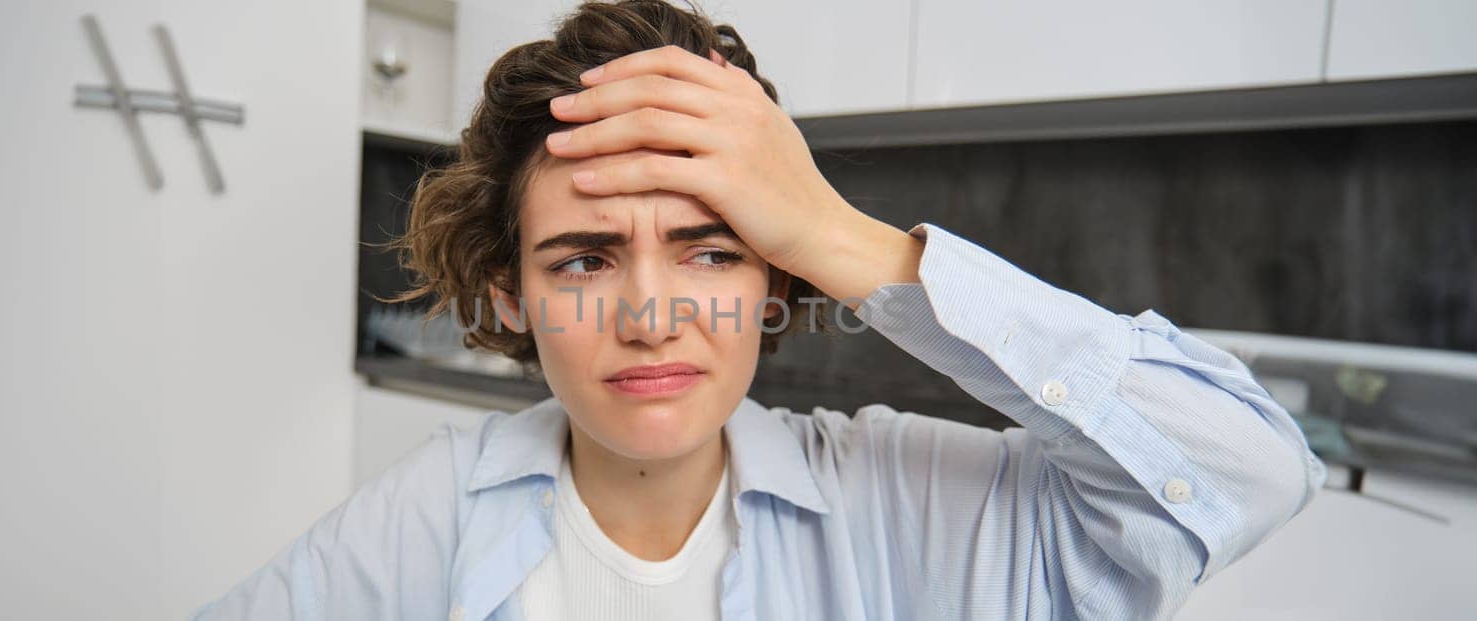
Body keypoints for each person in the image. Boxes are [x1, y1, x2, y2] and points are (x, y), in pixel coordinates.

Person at [192, 1, 1325, 619]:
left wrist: (837, 233)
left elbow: (1250, 473)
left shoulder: (912, 512)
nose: (649, 315)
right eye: (584, 261)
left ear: (777, 279)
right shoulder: (430, 515)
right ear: (513, 298)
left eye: (711, 251)